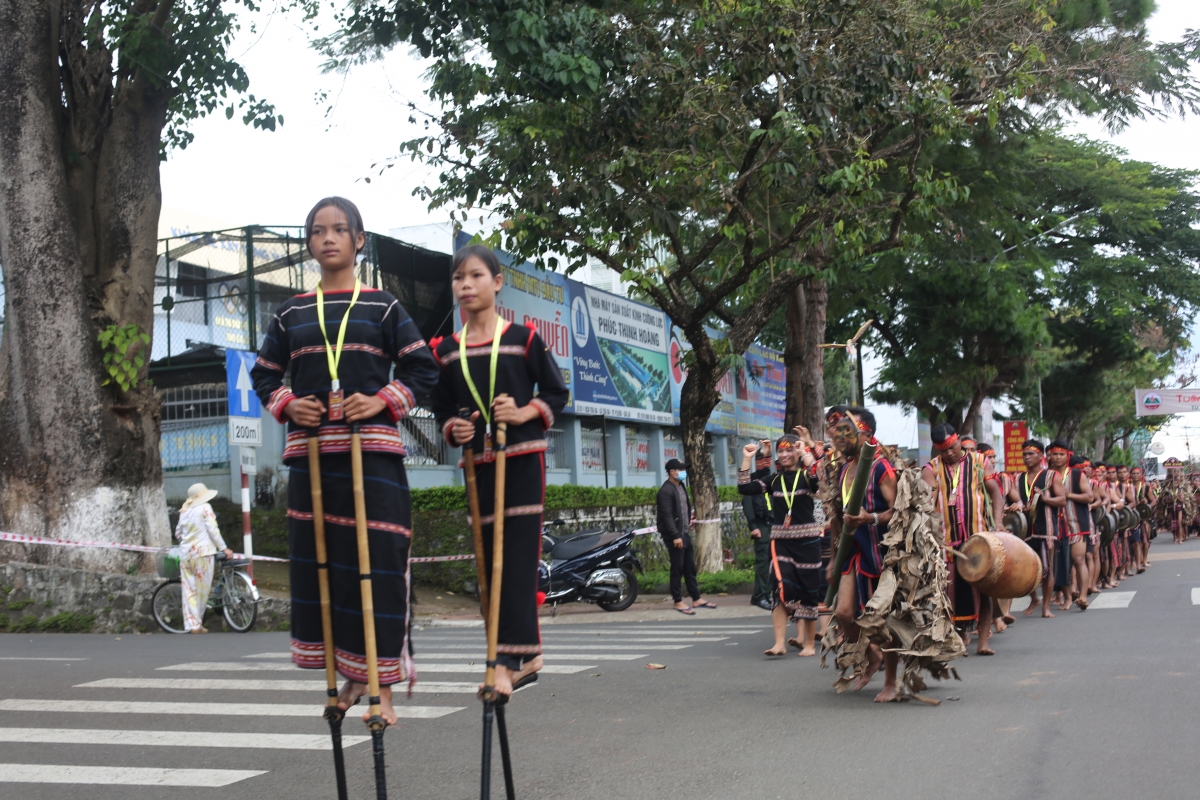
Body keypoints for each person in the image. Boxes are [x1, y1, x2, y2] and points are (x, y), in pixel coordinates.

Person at [252, 197, 439, 725]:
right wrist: (290, 404)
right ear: (309, 244)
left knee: (375, 565)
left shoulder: (383, 307)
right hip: (313, 457)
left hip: (373, 457)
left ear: (359, 240)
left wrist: (382, 400)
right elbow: (265, 375)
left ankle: (379, 682)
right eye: (317, 231)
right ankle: (347, 672)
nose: (328, 238)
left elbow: (421, 370)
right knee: (325, 568)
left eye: (340, 230)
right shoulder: (290, 312)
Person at [432, 244, 570, 696]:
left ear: (497, 282)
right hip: (479, 466)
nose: (466, 285)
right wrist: (456, 428)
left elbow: (556, 393)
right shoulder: (446, 351)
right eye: (458, 278)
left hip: (523, 462)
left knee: (516, 561)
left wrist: (523, 412)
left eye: (475, 276)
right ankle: (522, 655)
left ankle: (508, 660)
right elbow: (441, 412)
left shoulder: (524, 339)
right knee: (489, 563)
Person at [827, 408, 899, 701]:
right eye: (838, 431)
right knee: (844, 613)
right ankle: (872, 656)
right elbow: (837, 516)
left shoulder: (882, 469)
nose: (840, 437)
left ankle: (891, 683)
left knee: (886, 621)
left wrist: (871, 518)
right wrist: (833, 558)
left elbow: (900, 511)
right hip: (854, 554)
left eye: (848, 431)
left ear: (866, 434)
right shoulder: (844, 470)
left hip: (885, 553)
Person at [922, 423, 1006, 654]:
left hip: (979, 539)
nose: (949, 453)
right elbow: (927, 503)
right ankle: (959, 635)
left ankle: (984, 641)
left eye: (952, 447)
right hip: (947, 542)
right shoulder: (931, 469)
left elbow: (995, 493)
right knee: (950, 593)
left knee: (984, 589)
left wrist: (998, 522)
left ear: (959, 440)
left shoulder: (980, 462)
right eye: (943, 450)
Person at [738, 430, 820, 656]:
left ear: (798, 451)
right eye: (780, 451)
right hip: (781, 541)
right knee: (780, 588)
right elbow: (745, 487)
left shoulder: (806, 476)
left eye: (789, 449)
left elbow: (820, 477)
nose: (784, 454)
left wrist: (807, 453)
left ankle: (810, 644)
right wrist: (747, 458)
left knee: (808, 591)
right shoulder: (774, 479)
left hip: (808, 542)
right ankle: (779, 643)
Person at [656, 458, 715, 615]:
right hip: (674, 535)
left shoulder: (680, 486)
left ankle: (696, 598)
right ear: (672, 472)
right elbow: (667, 515)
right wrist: (675, 536)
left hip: (684, 533)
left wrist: (686, 528)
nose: (683, 472)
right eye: (680, 469)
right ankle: (677, 601)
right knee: (677, 568)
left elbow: (684, 510)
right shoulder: (665, 490)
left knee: (690, 567)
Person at [174, 482, 234, 634]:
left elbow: (178, 533)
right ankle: (197, 624)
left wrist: (189, 540)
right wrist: (224, 548)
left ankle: (193, 625)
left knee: (189, 590)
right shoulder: (205, 508)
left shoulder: (184, 510)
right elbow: (213, 530)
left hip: (186, 555)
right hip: (203, 554)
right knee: (202, 591)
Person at [1012, 440, 1060, 618]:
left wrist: (1045, 499)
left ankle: (1046, 607)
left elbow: (1062, 500)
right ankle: (1034, 598)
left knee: (1047, 570)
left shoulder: (1051, 476)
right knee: (1024, 569)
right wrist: (1016, 506)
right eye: (1024, 454)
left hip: (1046, 528)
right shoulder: (1017, 478)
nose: (1026, 457)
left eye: (1030, 454)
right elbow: (1012, 501)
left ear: (1041, 456)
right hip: (1024, 529)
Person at [1048, 441, 1091, 611]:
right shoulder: (1047, 476)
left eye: (1061, 454)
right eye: (1054, 454)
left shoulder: (1077, 475)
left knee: (1078, 559)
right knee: (1061, 563)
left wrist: (1069, 495)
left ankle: (1083, 596)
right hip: (1055, 525)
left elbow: (1089, 497)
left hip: (1076, 523)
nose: (1058, 457)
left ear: (1067, 456)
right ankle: (1067, 597)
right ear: (1049, 456)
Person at [742, 442, 776, 610]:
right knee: (762, 562)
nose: (764, 464)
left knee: (771, 562)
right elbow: (748, 504)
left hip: (771, 524)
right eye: (761, 461)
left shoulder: (769, 480)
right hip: (760, 525)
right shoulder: (752, 480)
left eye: (767, 461)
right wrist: (752, 526)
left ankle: (767, 594)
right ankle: (759, 596)